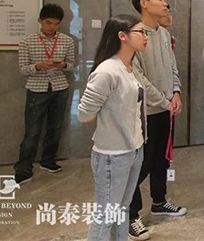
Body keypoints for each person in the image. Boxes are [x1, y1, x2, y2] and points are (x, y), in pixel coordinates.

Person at [78, 14, 148, 241]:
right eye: (141, 32)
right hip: (112, 154)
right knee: (106, 214)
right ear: (122, 36)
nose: (146, 36)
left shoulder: (130, 66)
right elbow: (84, 114)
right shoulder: (107, 71)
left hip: (134, 148)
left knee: (122, 209)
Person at [126, 0, 185, 240]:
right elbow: (138, 77)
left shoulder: (162, 33)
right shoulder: (133, 33)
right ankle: (130, 215)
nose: (165, 3)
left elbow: (172, 67)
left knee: (162, 159)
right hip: (144, 112)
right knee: (141, 164)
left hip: (164, 108)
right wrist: (163, 100)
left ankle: (159, 201)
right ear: (144, 3)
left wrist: (176, 92)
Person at [14, 3, 75, 184]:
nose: (52, 27)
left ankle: (48, 161)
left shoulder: (67, 41)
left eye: (56, 24)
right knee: (32, 131)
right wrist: (38, 66)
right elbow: (23, 69)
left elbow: (71, 64)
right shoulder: (27, 41)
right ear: (40, 21)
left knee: (55, 128)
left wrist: (63, 65)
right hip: (36, 88)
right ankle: (24, 168)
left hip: (59, 87)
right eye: (48, 23)